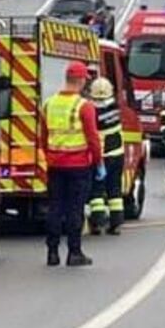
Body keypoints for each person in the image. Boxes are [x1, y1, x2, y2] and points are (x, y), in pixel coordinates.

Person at [40, 61, 103, 267]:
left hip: (55, 164)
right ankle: (74, 253)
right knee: (75, 209)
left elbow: (43, 135)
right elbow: (92, 138)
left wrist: (48, 156)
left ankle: (52, 253)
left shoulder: (49, 104)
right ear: (82, 80)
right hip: (78, 166)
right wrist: (98, 162)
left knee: (55, 208)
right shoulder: (84, 106)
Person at [87, 77, 126, 236]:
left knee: (96, 192)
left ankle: (97, 223)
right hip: (117, 154)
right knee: (114, 190)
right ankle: (116, 224)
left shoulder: (93, 112)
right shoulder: (115, 108)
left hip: (100, 156)